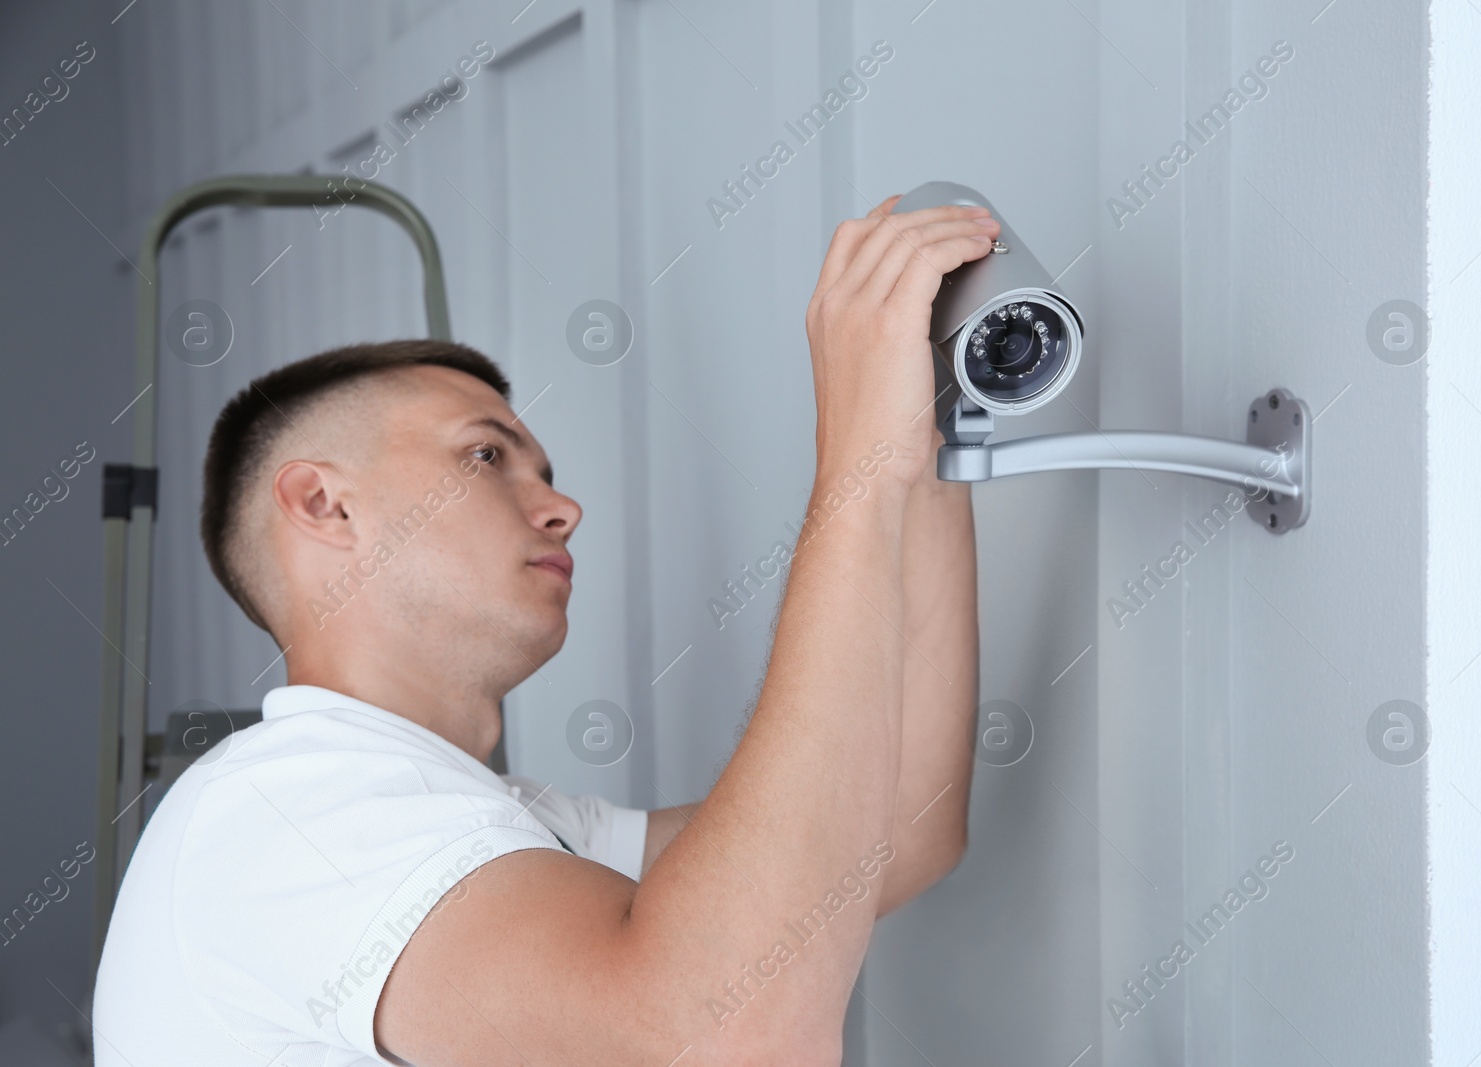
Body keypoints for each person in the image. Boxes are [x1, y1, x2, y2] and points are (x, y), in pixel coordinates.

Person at [92, 195, 996, 1065]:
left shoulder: (499, 820)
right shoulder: (288, 814)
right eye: (486, 455)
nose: (564, 507)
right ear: (325, 505)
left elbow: (899, 826)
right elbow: (729, 1035)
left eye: (545, 470)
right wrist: (859, 468)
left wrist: (930, 437)